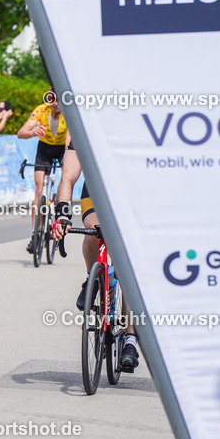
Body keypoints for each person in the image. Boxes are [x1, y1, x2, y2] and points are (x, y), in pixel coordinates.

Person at [51, 146, 139, 372]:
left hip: (132, 189)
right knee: (93, 230)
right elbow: (68, 177)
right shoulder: (84, 123)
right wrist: (62, 214)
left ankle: (130, 339)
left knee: (128, 265)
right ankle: (93, 278)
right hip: (96, 190)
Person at [17, 91, 68, 253]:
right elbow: (20, 133)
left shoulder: (69, 113)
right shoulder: (41, 110)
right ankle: (35, 234)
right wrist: (33, 132)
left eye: (59, 100)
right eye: (53, 99)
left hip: (62, 149)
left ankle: (58, 216)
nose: (56, 103)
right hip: (44, 149)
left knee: (65, 179)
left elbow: (69, 142)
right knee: (39, 190)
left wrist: (66, 161)